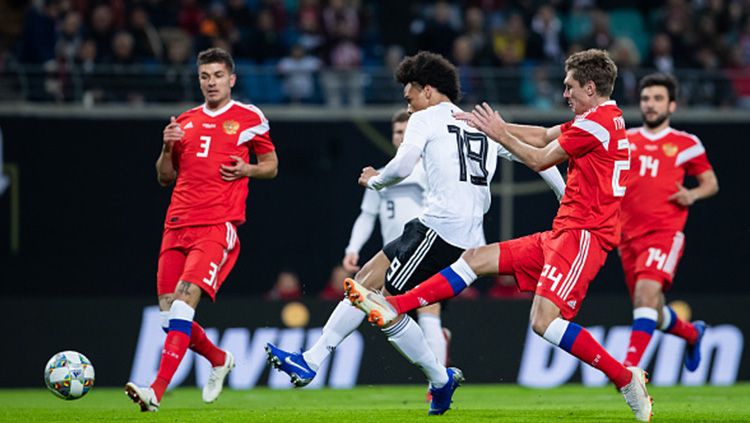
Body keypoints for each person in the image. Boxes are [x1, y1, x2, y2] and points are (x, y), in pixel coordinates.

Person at [348, 49, 654, 422]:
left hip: (585, 235)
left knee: (543, 322)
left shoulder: (596, 124)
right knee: (474, 259)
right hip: (565, 231)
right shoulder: (602, 118)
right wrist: (493, 126)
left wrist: (499, 134)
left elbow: (540, 157)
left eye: (570, 86)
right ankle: (398, 305)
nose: (564, 94)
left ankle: (625, 378)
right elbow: (543, 134)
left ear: (590, 87)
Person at [266, 51, 565, 416]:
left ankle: (435, 378)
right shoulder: (478, 123)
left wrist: (376, 179)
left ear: (427, 91)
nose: (408, 109)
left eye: (409, 99)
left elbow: (403, 165)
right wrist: (566, 202)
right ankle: (314, 360)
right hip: (449, 232)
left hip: (441, 230)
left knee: (380, 302)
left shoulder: (425, 119)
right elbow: (540, 158)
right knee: (364, 283)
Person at [124, 47, 278, 412]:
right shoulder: (186, 122)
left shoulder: (248, 117)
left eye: (218, 76)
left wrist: (247, 170)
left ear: (231, 79)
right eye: (205, 77)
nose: (211, 83)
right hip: (176, 224)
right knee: (169, 317)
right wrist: (166, 146)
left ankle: (155, 392)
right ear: (199, 80)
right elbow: (165, 176)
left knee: (182, 305)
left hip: (216, 225)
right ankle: (220, 358)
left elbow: (270, 165)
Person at [619, 73, 718, 371]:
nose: (650, 105)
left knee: (646, 296)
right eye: (646, 98)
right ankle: (691, 333)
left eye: (658, 99)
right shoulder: (625, 140)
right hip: (627, 237)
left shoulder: (686, 143)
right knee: (651, 308)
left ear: (672, 105)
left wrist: (693, 194)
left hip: (664, 232)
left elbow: (711, 182)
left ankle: (628, 371)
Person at [342, 109, 451, 371]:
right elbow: (367, 216)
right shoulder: (382, 175)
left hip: (425, 251)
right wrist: (353, 248)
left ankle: (435, 379)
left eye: (406, 132)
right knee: (384, 312)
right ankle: (439, 348)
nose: (401, 138)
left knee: (428, 313)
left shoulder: (430, 171)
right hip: (392, 257)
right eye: (397, 132)